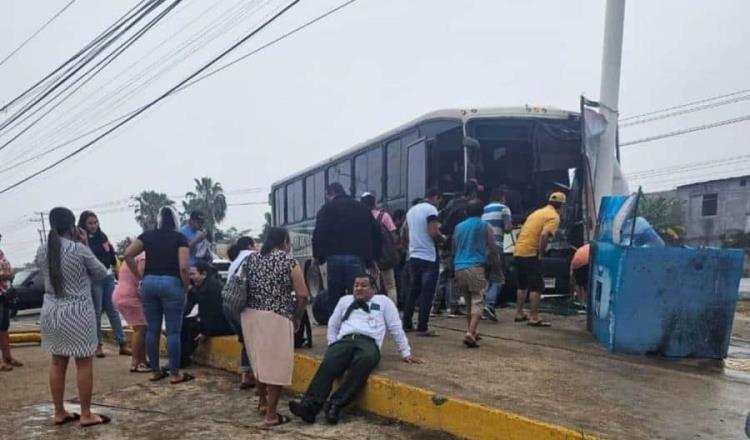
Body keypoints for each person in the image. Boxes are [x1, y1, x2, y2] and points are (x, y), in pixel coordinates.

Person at [288, 273, 421, 425]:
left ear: (373, 289)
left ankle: (335, 405)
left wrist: (406, 352)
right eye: (356, 285)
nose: (359, 288)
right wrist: (333, 343)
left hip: (368, 342)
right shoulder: (345, 301)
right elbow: (333, 324)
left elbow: (396, 327)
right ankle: (309, 407)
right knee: (329, 363)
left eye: (364, 285)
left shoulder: (383, 302)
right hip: (345, 340)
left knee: (363, 362)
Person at [36, 207, 111, 427]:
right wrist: (86, 244)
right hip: (78, 312)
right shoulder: (79, 249)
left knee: (57, 362)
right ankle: (86, 414)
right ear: (73, 226)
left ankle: (59, 411)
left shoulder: (42, 250)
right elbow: (101, 273)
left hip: (51, 311)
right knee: (84, 363)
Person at [240, 227, 308, 426]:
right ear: (285, 242)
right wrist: (297, 317)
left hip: (250, 315)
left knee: (259, 362)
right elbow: (302, 294)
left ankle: (262, 403)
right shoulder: (287, 260)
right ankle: (271, 415)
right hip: (276, 316)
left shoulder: (251, 259)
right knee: (277, 366)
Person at [124, 206, 193, 384]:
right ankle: (175, 373)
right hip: (172, 283)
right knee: (173, 332)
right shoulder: (180, 238)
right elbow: (184, 267)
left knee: (152, 329)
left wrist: (140, 276)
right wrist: (185, 289)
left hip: (149, 283)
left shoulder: (147, 236)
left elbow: (128, 254)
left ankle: (155, 371)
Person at [312, 183, 382, 317]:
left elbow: (318, 233)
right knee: (357, 295)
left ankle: (338, 329)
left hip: (334, 258)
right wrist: (373, 259)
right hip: (357, 257)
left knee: (336, 298)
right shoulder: (361, 208)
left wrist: (318, 257)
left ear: (331, 192)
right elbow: (376, 233)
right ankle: (356, 327)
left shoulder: (326, 209)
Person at [78, 211, 129, 358]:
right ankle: (98, 346)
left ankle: (122, 343)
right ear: (84, 224)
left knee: (113, 311)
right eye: (90, 223)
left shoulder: (102, 236)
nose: (93, 226)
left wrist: (113, 262)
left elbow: (110, 253)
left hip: (107, 276)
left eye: (95, 222)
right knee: (97, 312)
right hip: (94, 279)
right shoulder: (81, 240)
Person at [513, 192, 566, 327]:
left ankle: (519, 313)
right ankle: (534, 316)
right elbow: (544, 235)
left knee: (522, 284)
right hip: (531, 253)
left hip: (518, 250)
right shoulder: (554, 216)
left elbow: (520, 232)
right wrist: (541, 253)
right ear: (562, 206)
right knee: (536, 286)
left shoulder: (537, 213)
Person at [453, 200, 500, 347]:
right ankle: (470, 332)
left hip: (459, 268)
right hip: (475, 267)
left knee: (468, 302)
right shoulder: (486, 226)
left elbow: (454, 247)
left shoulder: (458, 227)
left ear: (466, 212)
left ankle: (472, 331)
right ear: (482, 213)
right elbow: (493, 248)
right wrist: (497, 266)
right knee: (478, 300)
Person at [402, 188, 442, 336]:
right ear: (435, 197)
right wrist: (442, 239)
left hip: (414, 256)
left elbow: (405, 233)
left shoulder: (411, 211)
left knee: (413, 291)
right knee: (427, 292)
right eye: (439, 200)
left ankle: (406, 323)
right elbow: (433, 232)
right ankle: (422, 326)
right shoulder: (431, 210)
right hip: (429, 257)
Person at [181, 261, 234, 367]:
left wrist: (205, 332)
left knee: (193, 328)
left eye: (193, 274)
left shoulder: (211, 288)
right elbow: (188, 309)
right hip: (211, 320)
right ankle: (179, 356)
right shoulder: (199, 287)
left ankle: (181, 360)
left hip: (222, 324)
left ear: (204, 274)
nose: (191, 277)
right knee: (184, 323)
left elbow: (214, 314)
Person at [224, 237, 256, 389]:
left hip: (228, 304)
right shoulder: (252, 257)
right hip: (242, 306)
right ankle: (255, 376)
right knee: (253, 340)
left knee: (246, 339)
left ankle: (245, 376)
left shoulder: (235, 261)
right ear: (250, 245)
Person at [112, 251, 149, 372]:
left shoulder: (132, 257)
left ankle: (142, 360)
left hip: (120, 294)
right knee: (140, 329)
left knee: (140, 328)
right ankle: (136, 362)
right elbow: (141, 278)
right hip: (130, 295)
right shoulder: (143, 257)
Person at [360, 192, 399, 304]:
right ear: (374, 202)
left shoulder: (361, 217)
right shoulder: (384, 216)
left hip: (368, 258)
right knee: (390, 286)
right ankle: (392, 311)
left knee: (371, 286)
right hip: (385, 256)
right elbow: (393, 235)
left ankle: (374, 312)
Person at [481, 188, 513, 321]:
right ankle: (489, 304)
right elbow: (507, 228)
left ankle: (482, 306)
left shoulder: (484, 209)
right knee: (499, 277)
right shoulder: (504, 209)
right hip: (496, 247)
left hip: (482, 248)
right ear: (502, 197)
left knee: (485, 278)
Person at [0, 238, 22, 372]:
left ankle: (7, 357)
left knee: (4, 326)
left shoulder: (1, 253)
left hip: (3, 293)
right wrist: (5, 274)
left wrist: (10, 273)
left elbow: (8, 269)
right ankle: (1, 361)